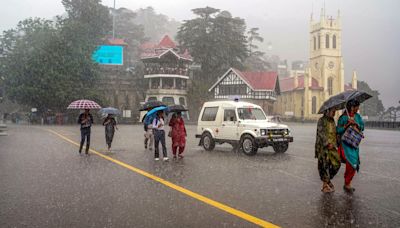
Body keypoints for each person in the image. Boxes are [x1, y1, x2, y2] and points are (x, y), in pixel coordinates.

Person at [337, 100, 364, 193]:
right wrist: (346, 125)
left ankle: (347, 183)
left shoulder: (357, 116)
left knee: (354, 164)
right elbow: (338, 130)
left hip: (354, 145)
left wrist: (356, 124)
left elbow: (362, 127)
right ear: (352, 107)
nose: (358, 109)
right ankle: (347, 183)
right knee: (350, 163)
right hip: (345, 144)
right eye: (357, 107)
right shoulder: (343, 118)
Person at [315, 107, 341, 193]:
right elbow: (321, 133)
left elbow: (334, 133)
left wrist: (337, 142)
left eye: (335, 111)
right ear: (327, 111)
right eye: (333, 111)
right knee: (324, 166)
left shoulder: (332, 121)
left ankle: (328, 180)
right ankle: (324, 186)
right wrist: (327, 143)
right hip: (323, 147)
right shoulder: (321, 120)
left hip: (332, 147)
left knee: (337, 163)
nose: (334, 113)